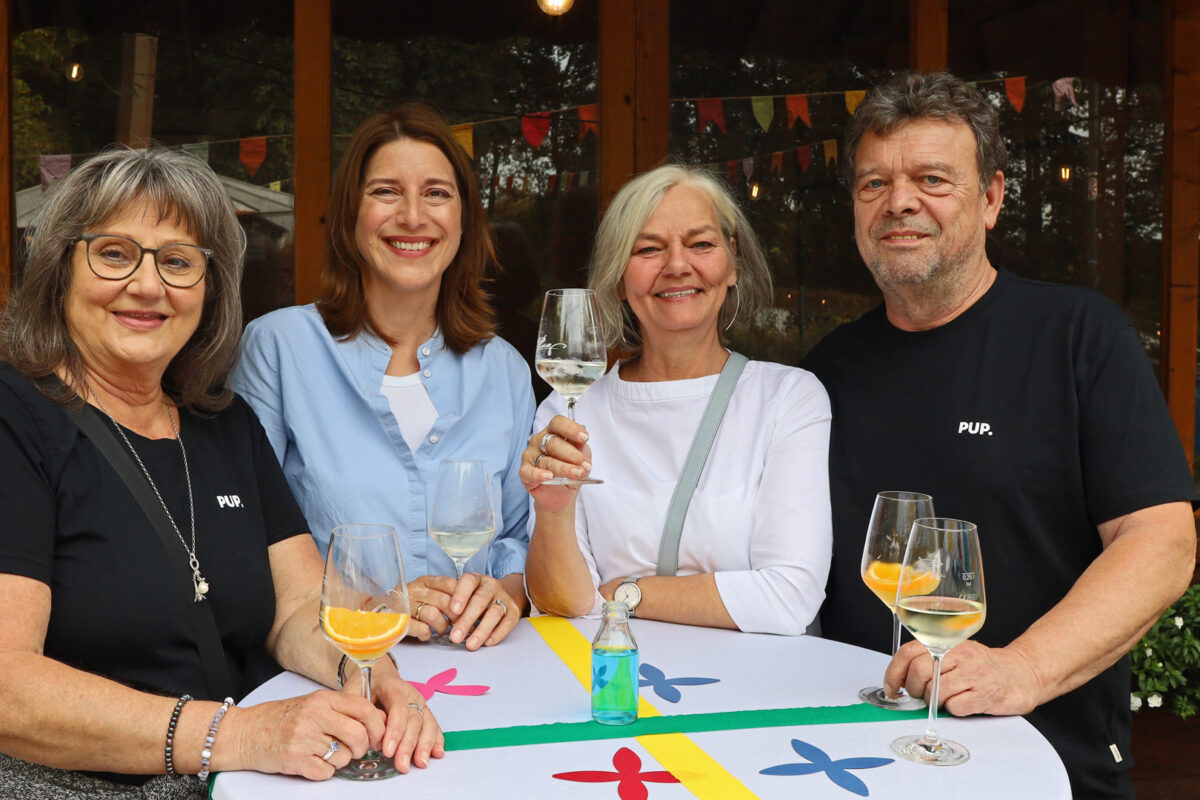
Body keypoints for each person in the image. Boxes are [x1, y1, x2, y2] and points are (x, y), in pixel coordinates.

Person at [802, 71, 1197, 798]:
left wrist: (1024, 669)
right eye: (874, 183)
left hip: (1045, 763)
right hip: (852, 762)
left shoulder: (1078, 336)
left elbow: (1162, 542)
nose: (899, 202)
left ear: (991, 199)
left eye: (932, 179)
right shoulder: (825, 372)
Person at [0, 147, 442, 797]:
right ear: (60, 268)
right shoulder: (14, 417)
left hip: (241, 779)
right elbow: (8, 686)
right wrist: (235, 735)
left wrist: (369, 675)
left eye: (178, 262)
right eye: (114, 254)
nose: (148, 285)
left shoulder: (223, 422)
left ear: (210, 289)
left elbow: (298, 607)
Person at [231, 102, 533, 651]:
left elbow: (517, 538)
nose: (413, 216)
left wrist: (507, 595)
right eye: (386, 191)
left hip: (484, 669)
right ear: (350, 213)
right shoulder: (279, 348)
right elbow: (243, 539)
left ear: (464, 219)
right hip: (338, 668)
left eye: (437, 193)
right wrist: (376, 608)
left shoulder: (505, 368)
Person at [521, 164, 832, 636]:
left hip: (751, 680)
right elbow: (563, 605)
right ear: (620, 278)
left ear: (732, 263)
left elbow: (790, 598)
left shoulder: (788, 399)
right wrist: (552, 510)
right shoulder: (567, 412)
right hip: (615, 676)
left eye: (701, 244)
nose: (677, 265)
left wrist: (624, 592)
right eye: (648, 249)